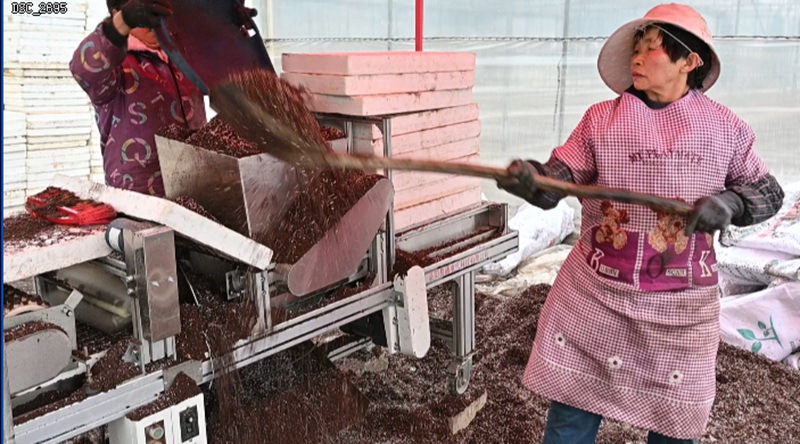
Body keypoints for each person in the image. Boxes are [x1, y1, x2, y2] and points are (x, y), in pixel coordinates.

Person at [497, 4, 785, 443]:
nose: (636, 58)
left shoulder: (725, 129)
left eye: (650, 49)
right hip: (598, 299)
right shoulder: (602, 120)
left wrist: (729, 203)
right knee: (572, 414)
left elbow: (769, 194)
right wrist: (531, 179)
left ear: (690, 61)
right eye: (637, 48)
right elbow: (559, 181)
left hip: (682, 312)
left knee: (674, 423)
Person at [69, 0, 206, 196]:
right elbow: (84, 69)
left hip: (197, 186)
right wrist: (122, 22)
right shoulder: (115, 63)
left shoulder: (183, 53)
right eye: (146, 12)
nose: (154, 20)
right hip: (139, 196)